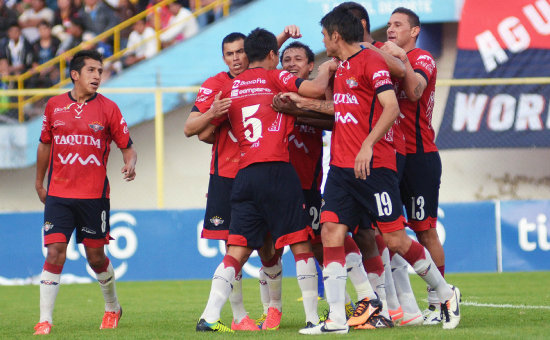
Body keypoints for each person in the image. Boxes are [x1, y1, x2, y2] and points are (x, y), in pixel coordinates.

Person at [299, 7, 460, 335]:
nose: (322, 42)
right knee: (331, 233)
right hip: (342, 169)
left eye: (323, 35)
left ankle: (444, 293)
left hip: (375, 166)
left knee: (396, 238)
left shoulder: (372, 62)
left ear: (336, 36)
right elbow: (343, 113)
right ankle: (336, 320)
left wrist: (368, 145)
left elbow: (392, 106)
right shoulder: (340, 68)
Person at [195, 27, 336, 333]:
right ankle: (313, 318)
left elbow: (205, 133)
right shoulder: (276, 78)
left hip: (244, 175)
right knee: (300, 244)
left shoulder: (231, 87)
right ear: (273, 55)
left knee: (236, 250)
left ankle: (209, 315)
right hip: (277, 170)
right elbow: (311, 92)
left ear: (247, 55)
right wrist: (326, 68)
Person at [33, 49, 137, 335]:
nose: (97, 76)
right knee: (55, 252)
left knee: (96, 258)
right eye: (91, 70)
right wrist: (40, 183)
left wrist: (130, 164)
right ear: (75, 74)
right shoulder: (54, 105)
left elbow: (127, 147)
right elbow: (44, 145)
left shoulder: (109, 108)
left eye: (100, 71)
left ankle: (112, 307)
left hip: (94, 197)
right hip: (59, 194)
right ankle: (45, 320)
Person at [381, 7, 449, 325]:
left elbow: (414, 90)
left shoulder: (422, 58)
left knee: (424, 231)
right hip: (392, 156)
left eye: (399, 25)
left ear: (415, 31)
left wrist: (400, 58)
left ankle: (440, 302)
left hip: (420, 157)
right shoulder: (387, 59)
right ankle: (396, 306)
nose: (391, 29)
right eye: (389, 24)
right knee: (386, 232)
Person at [28, 20, 60, 88]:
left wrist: (48, 69)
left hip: (53, 69)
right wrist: (40, 69)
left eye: (45, 29)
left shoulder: (56, 42)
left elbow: (58, 57)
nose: (43, 31)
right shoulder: (35, 44)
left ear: (49, 29)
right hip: (40, 71)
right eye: (40, 29)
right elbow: (33, 60)